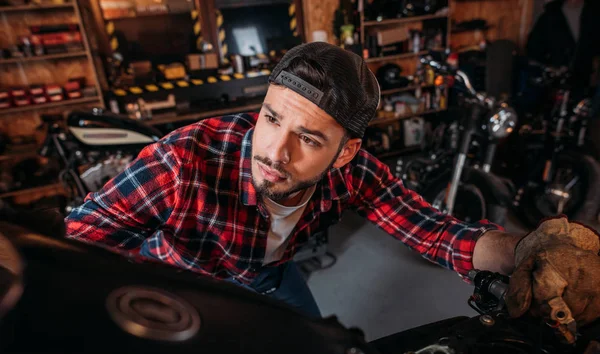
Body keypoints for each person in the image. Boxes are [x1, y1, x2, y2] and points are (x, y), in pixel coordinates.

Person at [64, 42, 600, 336]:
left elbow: (434, 231)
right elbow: (74, 245)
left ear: (344, 150)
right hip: (177, 285)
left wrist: (519, 251)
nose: (275, 151)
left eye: (308, 138)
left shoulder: (355, 172)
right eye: (271, 118)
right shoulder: (184, 160)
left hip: (270, 275)